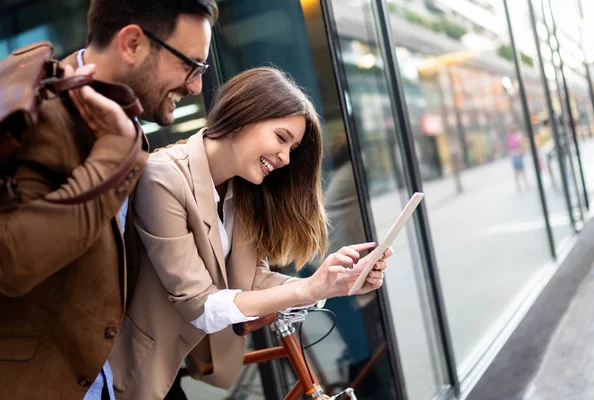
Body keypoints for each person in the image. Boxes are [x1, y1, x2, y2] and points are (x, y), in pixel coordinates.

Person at [108, 67, 391, 399]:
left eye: (293, 148)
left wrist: (332, 284)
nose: (286, 158)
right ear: (243, 115)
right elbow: (200, 305)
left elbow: (250, 277)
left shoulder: (241, 187)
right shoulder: (163, 178)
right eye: (281, 138)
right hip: (133, 369)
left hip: (179, 359)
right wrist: (309, 289)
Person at [0, 1, 218, 399]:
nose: (195, 86)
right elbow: (13, 262)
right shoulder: (36, 115)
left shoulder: (126, 123)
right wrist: (115, 153)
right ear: (133, 43)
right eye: (192, 65)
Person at [507, 126, 530, 192]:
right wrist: (522, 151)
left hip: (514, 155)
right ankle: (524, 184)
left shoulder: (510, 137)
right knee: (521, 170)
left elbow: (509, 147)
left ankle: (519, 185)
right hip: (517, 154)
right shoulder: (516, 136)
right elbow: (521, 144)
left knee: (518, 171)